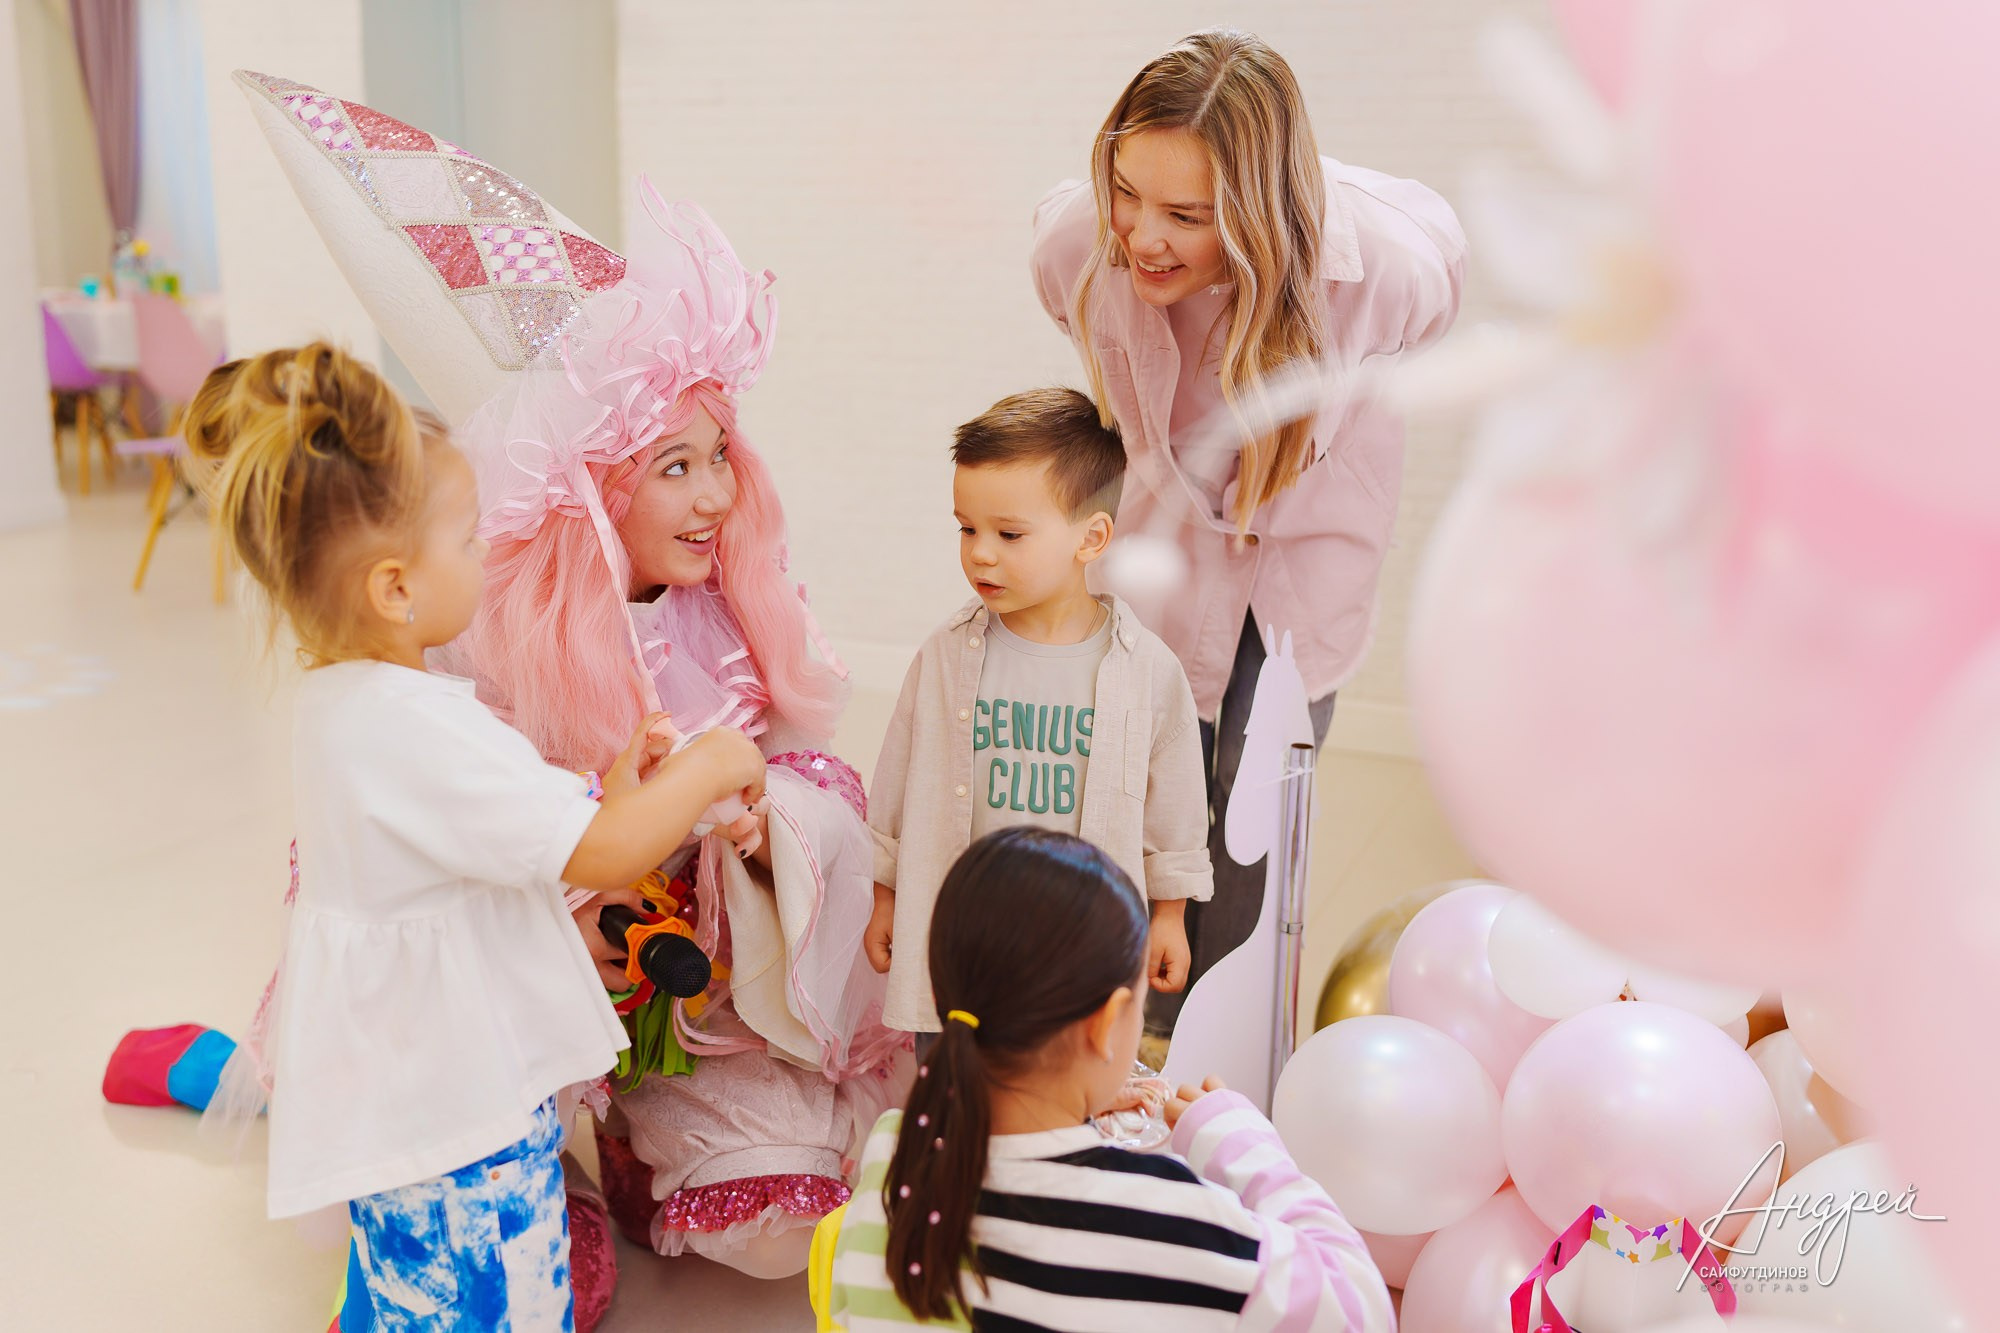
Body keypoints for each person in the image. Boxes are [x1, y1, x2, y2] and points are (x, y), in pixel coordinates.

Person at [231, 71, 906, 1282]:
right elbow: (555, 852)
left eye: (721, 460)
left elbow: (780, 797)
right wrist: (643, 829)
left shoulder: (726, 618)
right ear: (592, 493)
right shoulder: (456, 668)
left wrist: (746, 837)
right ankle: (564, 1166)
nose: (716, 496)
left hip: (700, 1000)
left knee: (774, 1219)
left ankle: (641, 1153)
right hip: (503, 1024)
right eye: (674, 468)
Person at [181, 343, 765, 1330]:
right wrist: (711, 764)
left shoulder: (346, 706)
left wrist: (604, 788)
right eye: (465, 537)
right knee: (500, 1304)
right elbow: (607, 855)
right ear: (395, 589)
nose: (485, 552)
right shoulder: (420, 726)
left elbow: (496, 835)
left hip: (410, 1113)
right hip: (458, 1128)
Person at [1029, 29, 1468, 1034]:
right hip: (1158, 573)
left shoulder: (1382, 274)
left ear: (1257, 210)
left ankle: (1222, 1081)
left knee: (1249, 855)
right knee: (1130, 822)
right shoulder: (1071, 249)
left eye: (1184, 215)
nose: (1141, 236)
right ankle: (1115, 1063)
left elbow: (1428, 298)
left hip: (1298, 583)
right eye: (1126, 194)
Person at [828, 828, 1393, 1330]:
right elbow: (1359, 1309)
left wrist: (1067, 1114)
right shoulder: (1165, 1220)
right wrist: (1246, 1145)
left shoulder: (895, 1154)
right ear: (1106, 1025)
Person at [864, 387, 1211, 1034]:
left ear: (1092, 537)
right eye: (967, 528)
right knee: (954, 1064)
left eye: (1009, 533)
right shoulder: (947, 656)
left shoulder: (1146, 670)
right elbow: (895, 782)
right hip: (966, 927)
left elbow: (1177, 806)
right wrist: (885, 897)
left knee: (1068, 1069)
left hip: (1078, 934)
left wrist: (1170, 915)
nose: (981, 552)